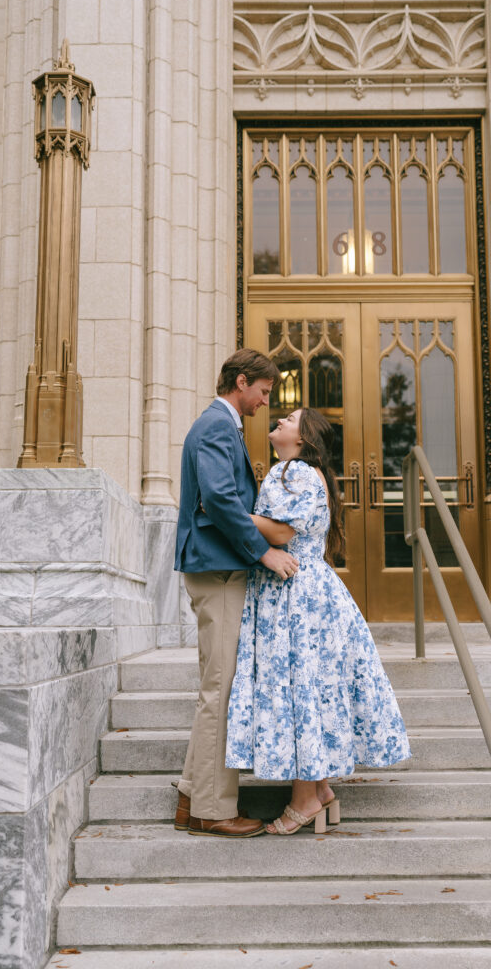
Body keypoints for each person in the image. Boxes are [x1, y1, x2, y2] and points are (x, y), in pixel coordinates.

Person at [226, 407, 411, 836]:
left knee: (299, 686)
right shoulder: (295, 471)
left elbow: (280, 533)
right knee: (306, 687)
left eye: (289, 418)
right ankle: (320, 788)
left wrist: (223, 513)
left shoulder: (295, 472)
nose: (279, 419)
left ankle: (305, 798)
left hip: (295, 593)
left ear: (304, 438)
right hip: (303, 590)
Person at [173, 349, 300, 838]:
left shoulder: (220, 426)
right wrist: (262, 553)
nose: (264, 404)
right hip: (219, 568)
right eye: (263, 393)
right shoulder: (216, 426)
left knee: (217, 685)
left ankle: (191, 796)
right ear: (241, 382)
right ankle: (212, 809)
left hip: (218, 566)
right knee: (220, 691)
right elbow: (220, 498)